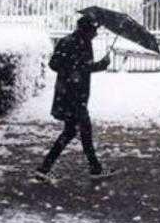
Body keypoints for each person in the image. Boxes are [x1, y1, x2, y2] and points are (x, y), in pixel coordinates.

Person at [35, 14, 112, 180]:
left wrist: (92, 66)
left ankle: (45, 168)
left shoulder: (74, 41)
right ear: (86, 30)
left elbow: (64, 64)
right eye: (94, 30)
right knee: (83, 129)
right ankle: (94, 168)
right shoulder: (75, 43)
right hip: (73, 95)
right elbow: (61, 64)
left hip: (70, 93)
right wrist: (100, 65)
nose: (96, 34)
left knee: (71, 131)